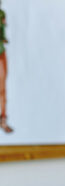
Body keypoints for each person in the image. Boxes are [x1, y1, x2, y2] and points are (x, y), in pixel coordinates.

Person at [0, 0, 12, 134]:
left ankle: (3, 120)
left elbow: (3, 35)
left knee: (2, 88)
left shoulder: (1, 13)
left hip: (1, 52)